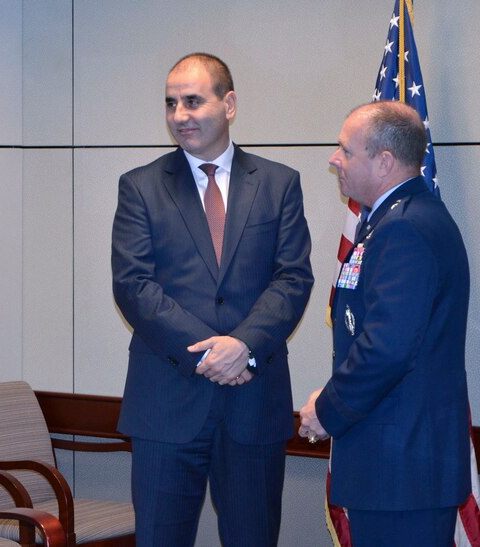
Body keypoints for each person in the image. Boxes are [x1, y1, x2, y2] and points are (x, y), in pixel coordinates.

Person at [111, 52, 313, 546]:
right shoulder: (140, 187)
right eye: (170, 103)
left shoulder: (278, 183)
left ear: (230, 104)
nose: (180, 115)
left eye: (193, 101)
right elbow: (134, 286)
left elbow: (293, 279)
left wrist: (243, 346)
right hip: (165, 404)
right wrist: (213, 353)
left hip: (253, 404)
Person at [298, 101, 470, 546]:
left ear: (385, 161)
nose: (334, 159)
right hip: (400, 466)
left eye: (346, 150)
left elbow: (386, 348)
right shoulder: (398, 219)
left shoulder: (404, 229)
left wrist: (327, 409)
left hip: (401, 469)